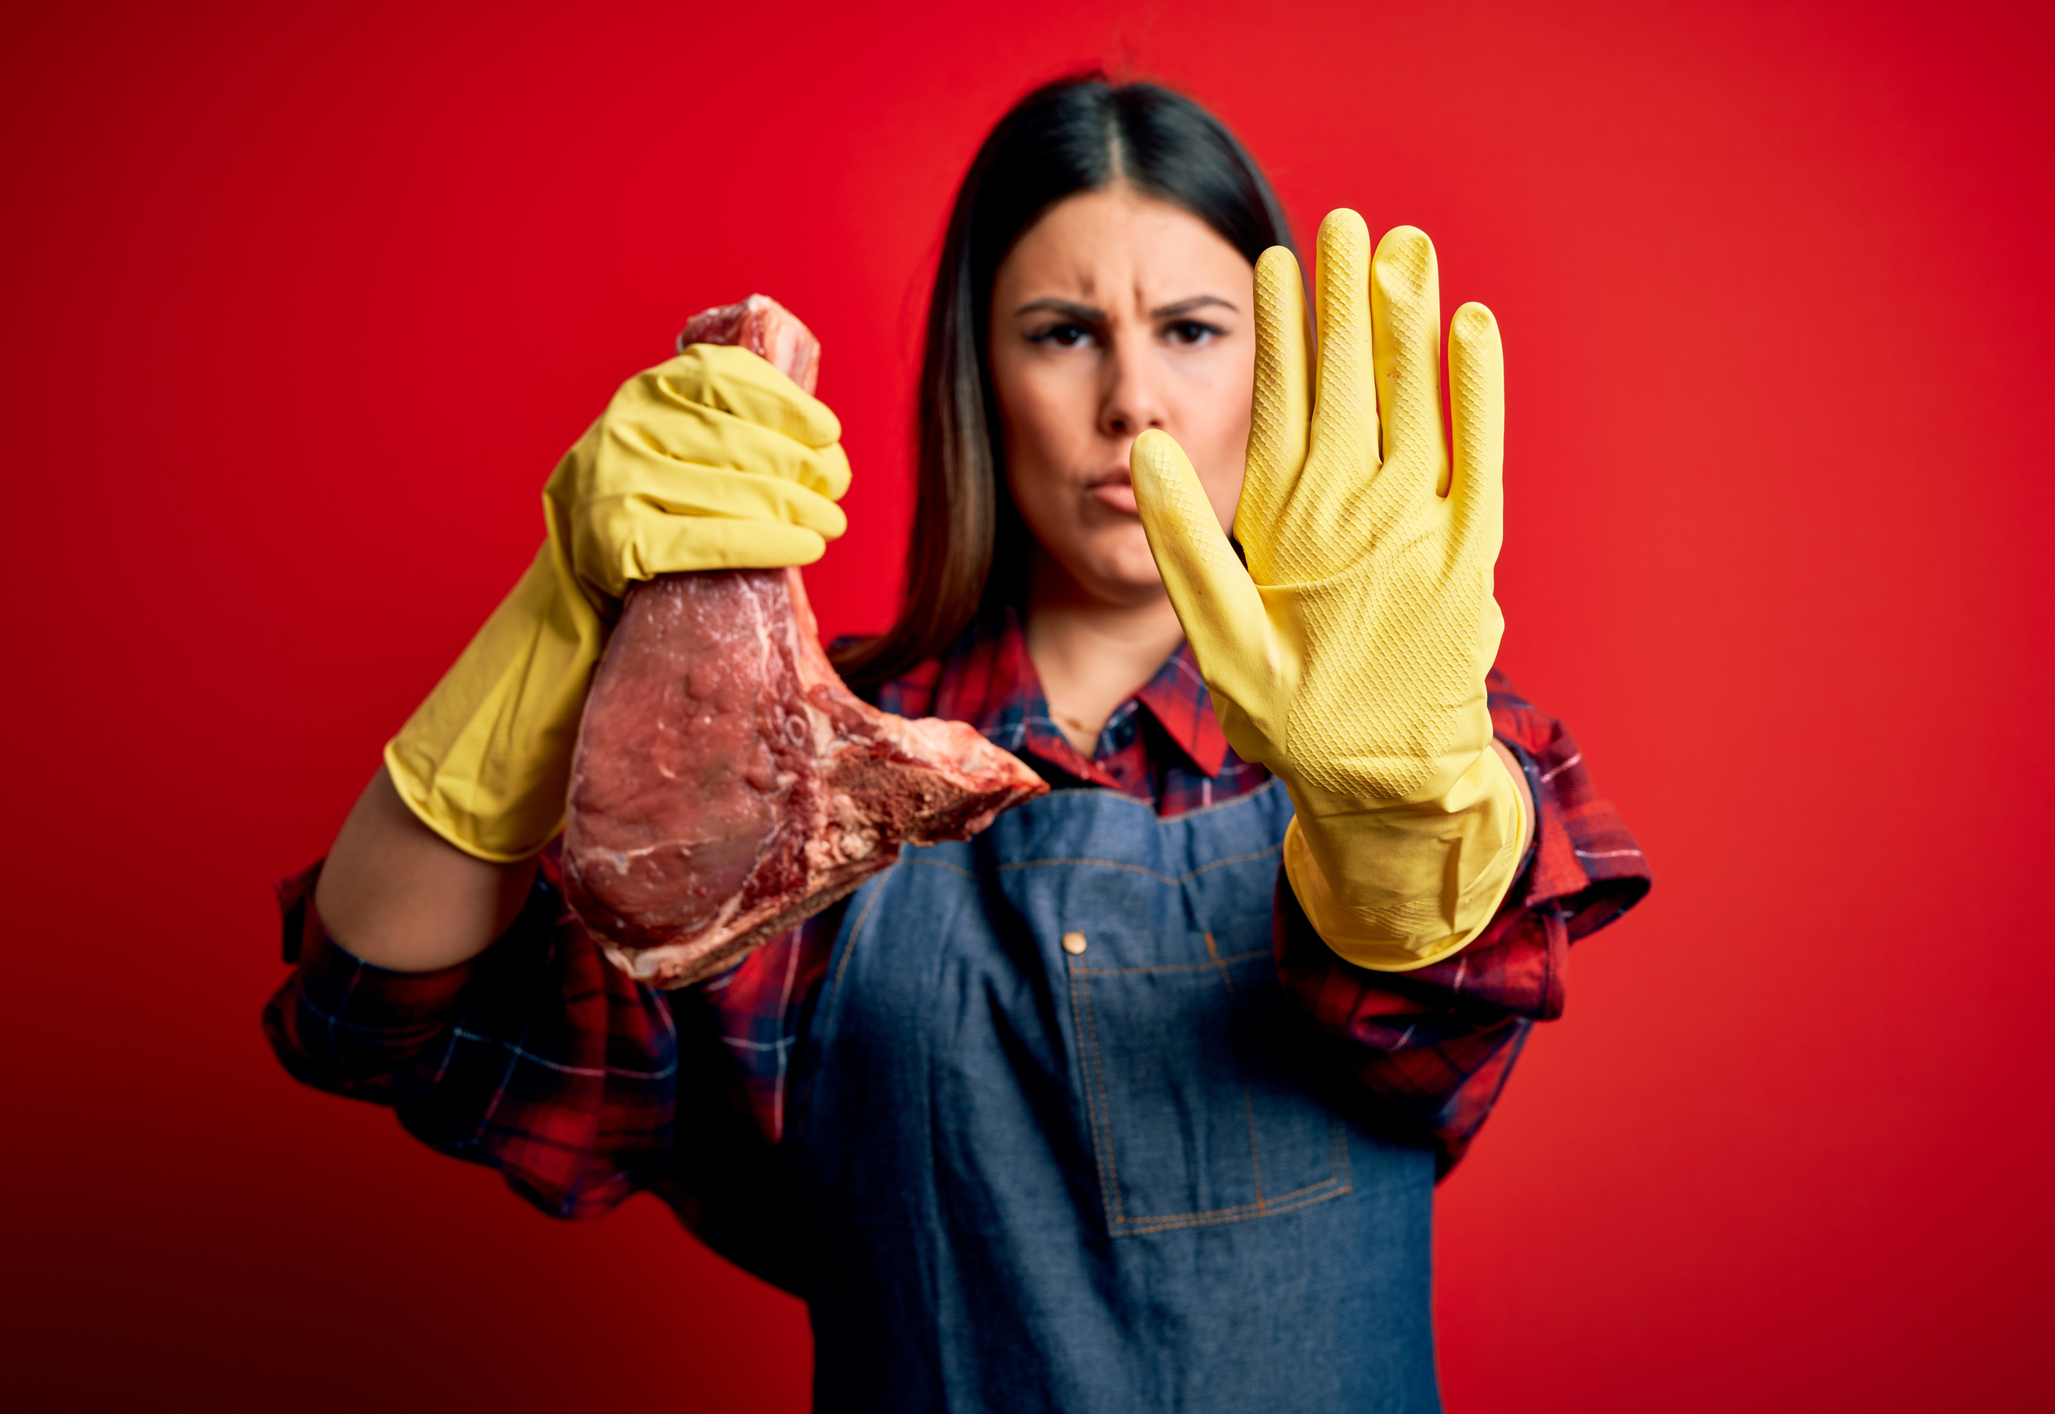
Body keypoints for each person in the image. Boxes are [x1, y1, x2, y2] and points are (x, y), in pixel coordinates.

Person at [266, 74, 1649, 1413]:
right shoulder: (791, 757)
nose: (1133, 402)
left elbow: (1434, 1020)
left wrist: (1397, 818)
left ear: (1277, 366)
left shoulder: (1426, 734)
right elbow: (374, 1020)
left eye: (1191, 328)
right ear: (976, 377)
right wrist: (566, 614)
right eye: (1060, 332)